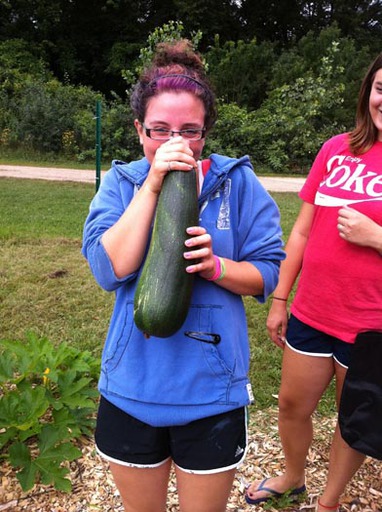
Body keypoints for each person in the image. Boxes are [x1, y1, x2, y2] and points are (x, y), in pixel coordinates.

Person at [82, 39, 285, 512]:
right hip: (132, 389)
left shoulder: (238, 184)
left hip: (212, 395)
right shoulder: (122, 182)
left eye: (190, 131)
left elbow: (270, 272)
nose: (175, 143)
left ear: (206, 131)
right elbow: (108, 269)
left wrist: (217, 267)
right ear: (138, 130)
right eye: (160, 130)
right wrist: (153, 184)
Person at [245, 53, 382, 511]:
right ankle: (293, 475)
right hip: (314, 310)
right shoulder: (337, 148)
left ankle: (329, 500)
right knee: (290, 405)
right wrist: (281, 296)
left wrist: (376, 237)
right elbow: (302, 229)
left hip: (371, 324)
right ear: (369, 92)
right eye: (381, 88)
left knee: (352, 418)